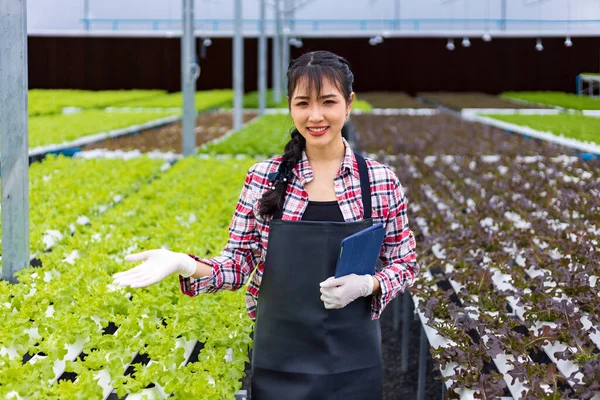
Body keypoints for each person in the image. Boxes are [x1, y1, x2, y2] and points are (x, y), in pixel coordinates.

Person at [112, 50, 420, 400]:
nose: (315, 116)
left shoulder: (379, 181)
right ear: (290, 105)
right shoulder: (264, 178)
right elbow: (237, 264)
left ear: (348, 104)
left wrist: (369, 284)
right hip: (281, 360)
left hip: (353, 363)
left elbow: (405, 263)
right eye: (303, 103)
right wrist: (185, 263)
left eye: (328, 102)